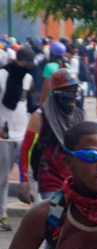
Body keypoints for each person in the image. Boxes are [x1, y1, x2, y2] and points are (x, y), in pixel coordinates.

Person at [17, 68, 85, 249]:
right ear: (56, 93)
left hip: (72, 177)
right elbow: (25, 149)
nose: (73, 95)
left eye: (75, 90)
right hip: (49, 179)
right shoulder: (40, 116)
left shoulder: (78, 114)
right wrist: (23, 180)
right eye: (68, 91)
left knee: (69, 227)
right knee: (55, 226)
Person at [0, 46, 35, 231]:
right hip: (4, 137)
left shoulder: (28, 78)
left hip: (22, 135)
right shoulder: (2, 76)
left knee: (30, 176)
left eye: (29, 64)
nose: (26, 67)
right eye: (24, 63)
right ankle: (2, 216)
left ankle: (37, 216)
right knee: (2, 180)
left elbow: (28, 104)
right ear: (16, 60)